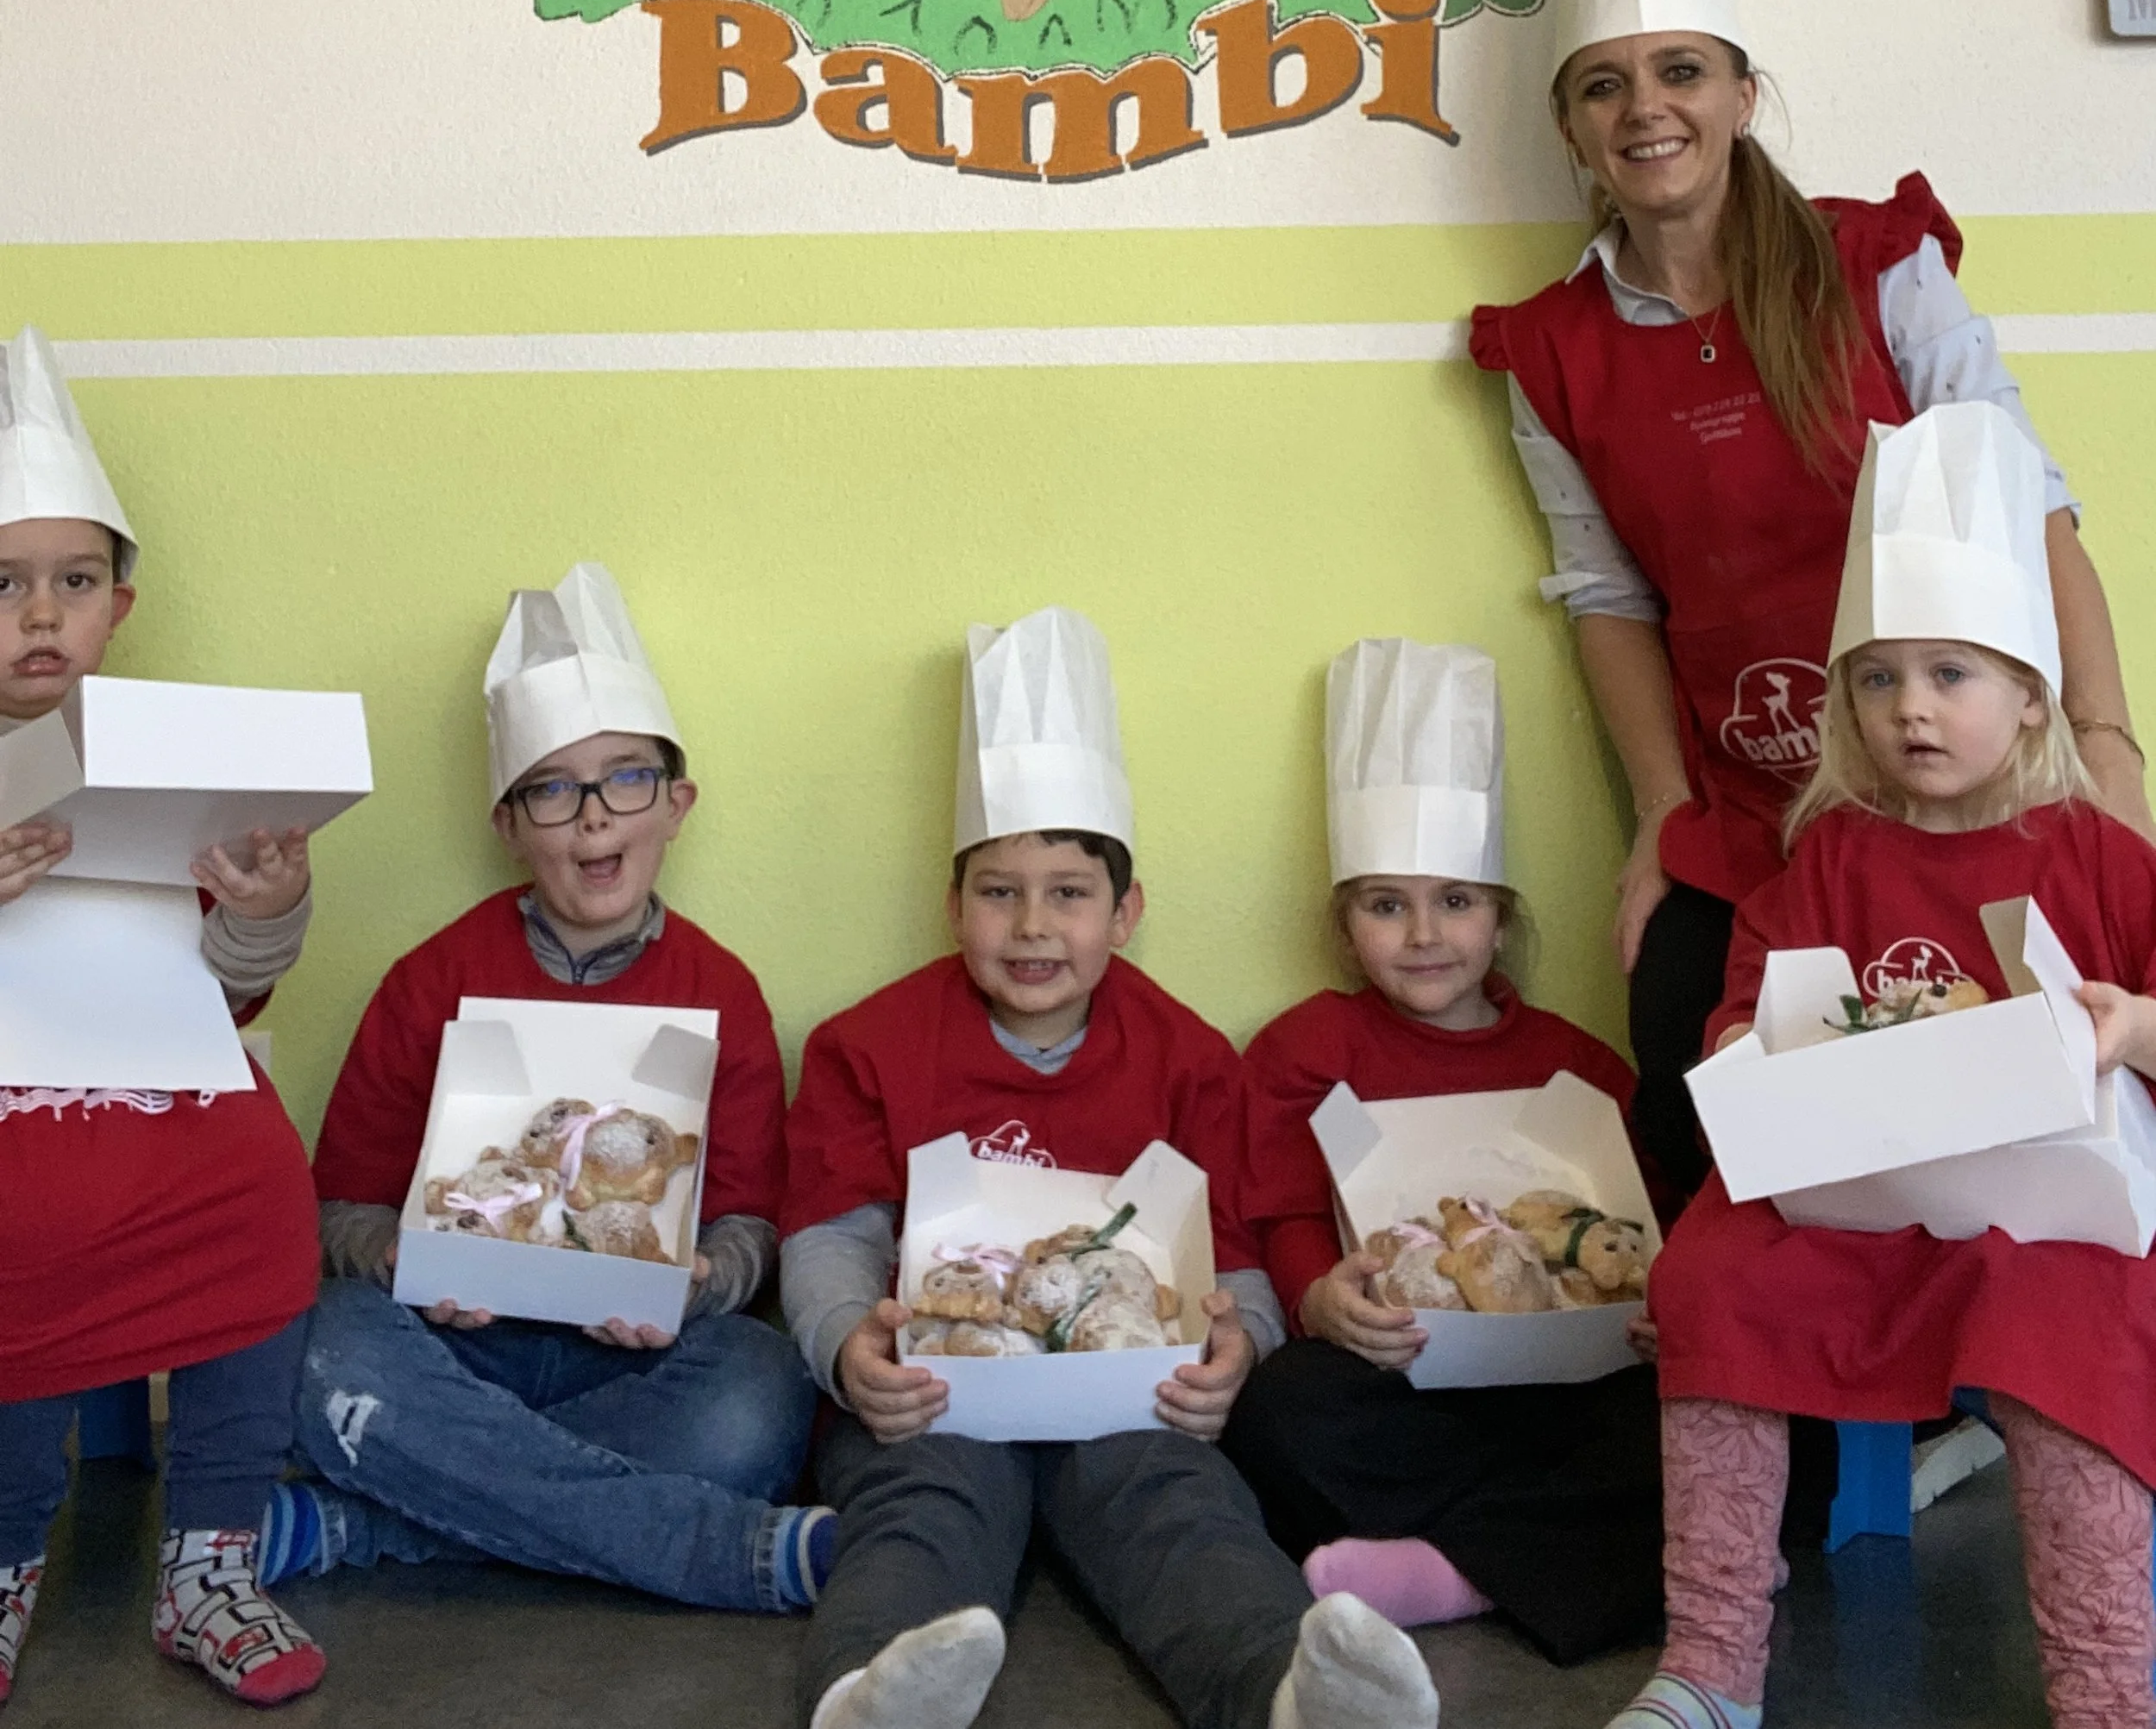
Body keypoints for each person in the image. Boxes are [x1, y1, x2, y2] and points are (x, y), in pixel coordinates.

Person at [1468, 0, 2143, 1204]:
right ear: (1571, 126)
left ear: (1741, 92)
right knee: (1707, 1104)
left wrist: (2103, 741)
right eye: (1606, 84)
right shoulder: (1553, 351)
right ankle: (1780, 1406)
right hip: (1752, 817)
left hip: (1964, 795)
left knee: (2012, 1132)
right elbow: (1607, 597)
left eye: (1681, 72)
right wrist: (1660, 814)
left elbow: (2035, 508)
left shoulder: (1879, 267)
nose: (1646, 110)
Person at [780, 604, 1441, 1729]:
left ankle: (1290, 1699)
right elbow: (830, 1231)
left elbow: (1234, 1263)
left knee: (1184, 1508)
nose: (1033, 924)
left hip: (1124, 1400)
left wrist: (1240, 1345)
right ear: (953, 905)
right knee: (921, 1506)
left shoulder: (1187, 1058)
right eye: (998, 889)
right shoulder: (868, 1043)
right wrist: (851, 1347)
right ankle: (867, 1695)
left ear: (1126, 912)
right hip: (937, 1390)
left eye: (1071, 891)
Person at [1613, 400, 2156, 1729]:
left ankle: (2103, 1688)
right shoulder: (1834, 858)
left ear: (2032, 688)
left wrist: (2130, 1026)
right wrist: (1749, 1045)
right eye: (1878, 675)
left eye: (1951, 674)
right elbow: (1746, 1015)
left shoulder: (2099, 856)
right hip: (1867, 1202)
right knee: (1712, 1270)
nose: (1910, 708)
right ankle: (1711, 1664)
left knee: (2065, 1322)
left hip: (2052, 1219)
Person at [280, 561, 823, 1613]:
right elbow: (333, 1210)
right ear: (509, 823)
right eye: (552, 789)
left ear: (677, 803)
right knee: (318, 1341)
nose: (591, 820)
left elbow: (754, 1226)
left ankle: (378, 1523)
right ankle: (715, 1551)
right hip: (452, 1350)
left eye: (625, 780)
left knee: (762, 1390)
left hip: (626, 1370)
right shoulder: (430, 978)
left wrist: (694, 1283)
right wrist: (396, 1255)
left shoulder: (723, 991)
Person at [0, 325, 328, 1708]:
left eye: (74, 583)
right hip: (22, 1135)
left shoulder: (174, 749)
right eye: (5, 584)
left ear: (118, 609)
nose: (40, 617)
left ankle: (209, 1565)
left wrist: (266, 899)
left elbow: (236, 981)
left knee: (264, 1196)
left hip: (179, 1111)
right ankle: (6, 1555)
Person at [1225, 637, 1661, 1667]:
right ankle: (1598, 1557)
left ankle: (1449, 1573)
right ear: (1344, 925)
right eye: (1386, 905)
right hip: (1400, 1381)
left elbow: (1648, 1227)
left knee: (1724, 1418)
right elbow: (1283, 1213)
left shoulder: (1577, 1065)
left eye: (1456, 902)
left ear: (1502, 918)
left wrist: (1656, 1308)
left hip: (1568, 1387)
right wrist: (1319, 1299)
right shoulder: (1304, 1050)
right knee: (1280, 1415)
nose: (1424, 935)